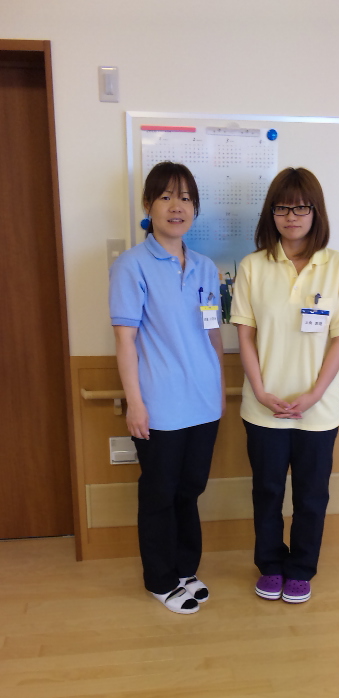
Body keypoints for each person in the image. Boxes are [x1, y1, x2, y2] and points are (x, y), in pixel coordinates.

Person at [230, 167, 339, 604]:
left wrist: (315, 394)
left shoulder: (338, 266)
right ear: (271, 213)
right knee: (266, 492)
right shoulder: (252, 266)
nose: (291, 216)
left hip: (318, 410)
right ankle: (270, 565)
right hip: (263, 406)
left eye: (301, 207)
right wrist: (261, 390)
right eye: (282, 207)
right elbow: (245, 335)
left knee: (311, 495)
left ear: (315, 211)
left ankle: (301, 569)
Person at [109, 161, 225, 614]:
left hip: (204, 403)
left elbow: (213, 331)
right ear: (148, 205)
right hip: (159, 405)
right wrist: (135, 404)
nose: (177, 206)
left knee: (190, 490)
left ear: (195, 208)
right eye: (166, 197)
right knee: (159, 493)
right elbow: (125, 340)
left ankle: (184, 569)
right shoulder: (131, 265)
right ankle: (160, 579)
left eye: (186, 198)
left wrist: (219, 383)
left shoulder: (205, 267)